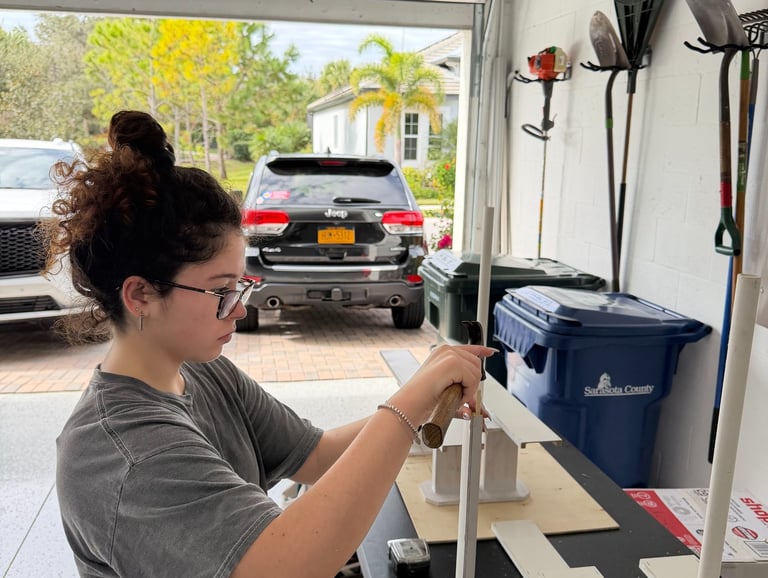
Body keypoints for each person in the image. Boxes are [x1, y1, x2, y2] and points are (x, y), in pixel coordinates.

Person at [46, 110, 495, 578]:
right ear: (141, 295)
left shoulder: (200, 370)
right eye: (221, 291)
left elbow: (316, 455)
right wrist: (410, 402)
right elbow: (285, 567)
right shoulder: (121, 454)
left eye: (241, 287)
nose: (238, 309)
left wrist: (421, 397)